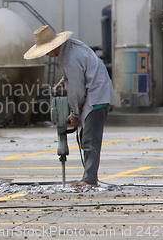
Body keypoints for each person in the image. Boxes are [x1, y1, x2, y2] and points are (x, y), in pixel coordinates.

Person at [23, 25, 117, 188]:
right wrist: (62, 81)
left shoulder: (68, 59)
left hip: (96, 95)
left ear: (54, 46)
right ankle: (88, 176)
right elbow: (75, 75)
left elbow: (76, 91)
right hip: (96, 91)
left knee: (90, 140)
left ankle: (90, 180)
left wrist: (74, 114)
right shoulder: (71, 47)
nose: (47, 54)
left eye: (47, 50)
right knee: (86, 138)